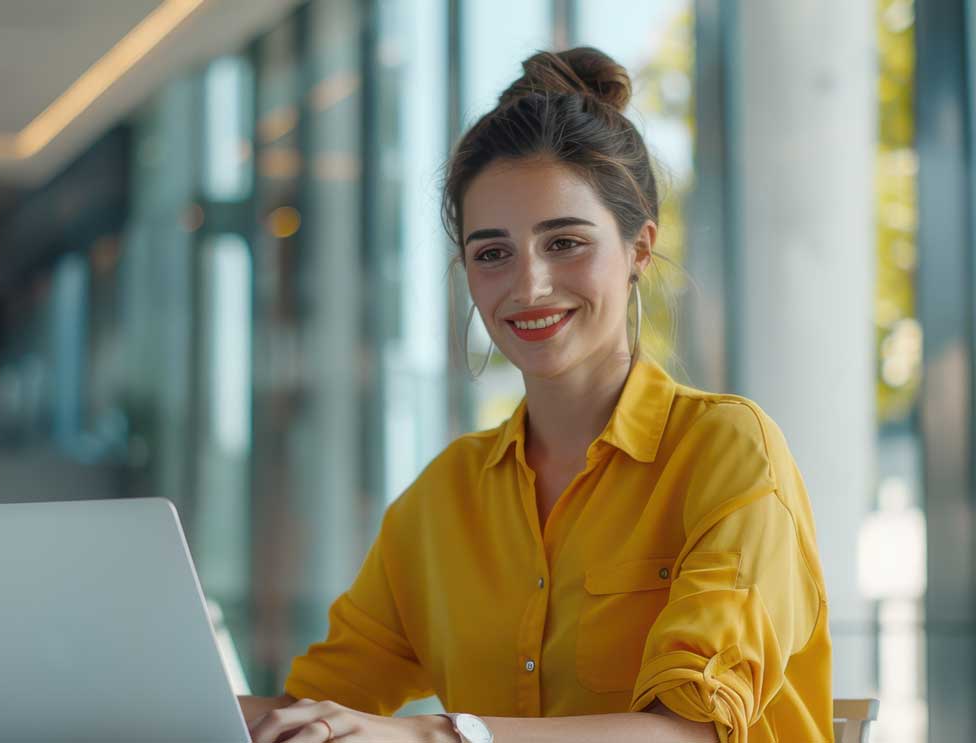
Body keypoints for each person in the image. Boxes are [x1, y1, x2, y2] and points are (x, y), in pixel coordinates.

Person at [241, 47, 832, 743]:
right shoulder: (442, 499)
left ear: (640, 247)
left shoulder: (728, 451)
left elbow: (689, 734)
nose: (529, 287)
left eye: (565, 243)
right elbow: (312, 708)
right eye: (493, 253)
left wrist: (441, 735)